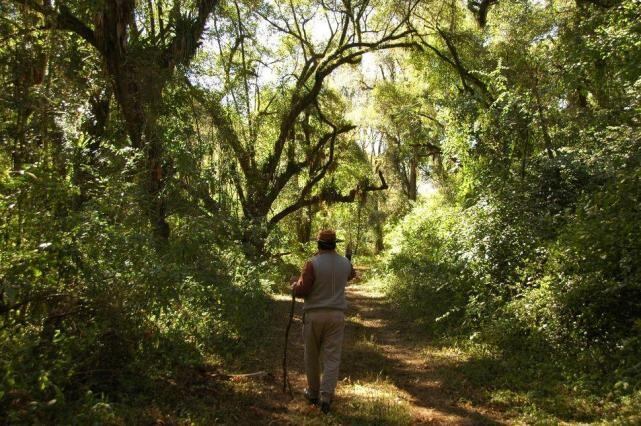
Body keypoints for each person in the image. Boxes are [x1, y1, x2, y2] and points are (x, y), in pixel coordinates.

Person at [291, 229, 356, 414]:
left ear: (318, 244)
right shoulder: (345, 263)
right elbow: (351, 275)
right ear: (335, 244)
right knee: (332, 357)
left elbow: (302, 290)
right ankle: (326, 397)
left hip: (314, 315)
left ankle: (313, 393)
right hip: (337, 316)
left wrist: (294, 285)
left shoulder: (312, 263)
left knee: (312, 355)